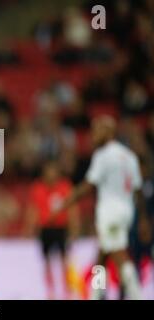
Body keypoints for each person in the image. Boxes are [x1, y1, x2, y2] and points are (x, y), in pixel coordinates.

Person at [55, 115, 149, 300]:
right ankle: (97, 294)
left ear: (109, 132)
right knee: (103, 254)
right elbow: (138, 189)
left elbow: (89, 185)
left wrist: (66, 202)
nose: (93, 135)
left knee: (119, 254)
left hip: (110, 210)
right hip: (126, 210)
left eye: (97, 130)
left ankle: (136, 295)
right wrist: (143, 218)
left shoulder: (103, 154)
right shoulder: (129, 156)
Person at [26, 161, 79, 299]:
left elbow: (72, 209)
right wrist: (30, 228)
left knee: (64, 260)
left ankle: (67, 291)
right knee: (47, 261)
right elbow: (34, 209)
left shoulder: (65, 187)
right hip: (45, 229)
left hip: (61, 228)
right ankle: (51, 291)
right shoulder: (38, 188)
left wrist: (74, 228)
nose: (51, 174)